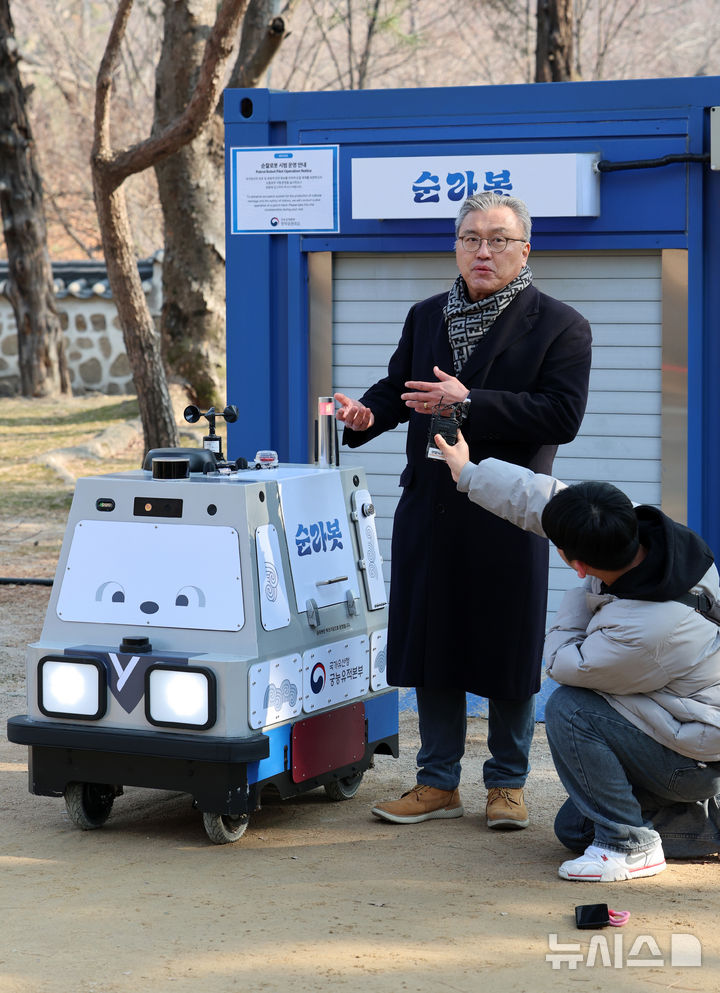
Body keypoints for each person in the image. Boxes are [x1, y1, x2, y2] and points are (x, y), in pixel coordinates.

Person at [334, 191, 592, 830]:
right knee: (433, 643)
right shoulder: (427, 314)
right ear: (456, 247)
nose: (483, 250)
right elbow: (399, 388)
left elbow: (562, 415)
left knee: (508, 646)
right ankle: (437, 782)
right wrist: (367, 416)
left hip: (510, 507)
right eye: (471, 238)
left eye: (499, 239)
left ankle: (507, 784)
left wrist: (470, 400)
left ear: (525, 249)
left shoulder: (561, 324)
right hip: (431, 506)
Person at [436, 430, 720, 882]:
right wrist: (468, 472)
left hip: (695, 759)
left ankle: (629, 845)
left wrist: (577, 600)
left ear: (578, 565)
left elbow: (562, 664)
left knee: (570, 709)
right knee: (575, 827)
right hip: (690, 724)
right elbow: (545, 499)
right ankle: (707, 827)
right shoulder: (649, 539)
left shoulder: (643, 630)